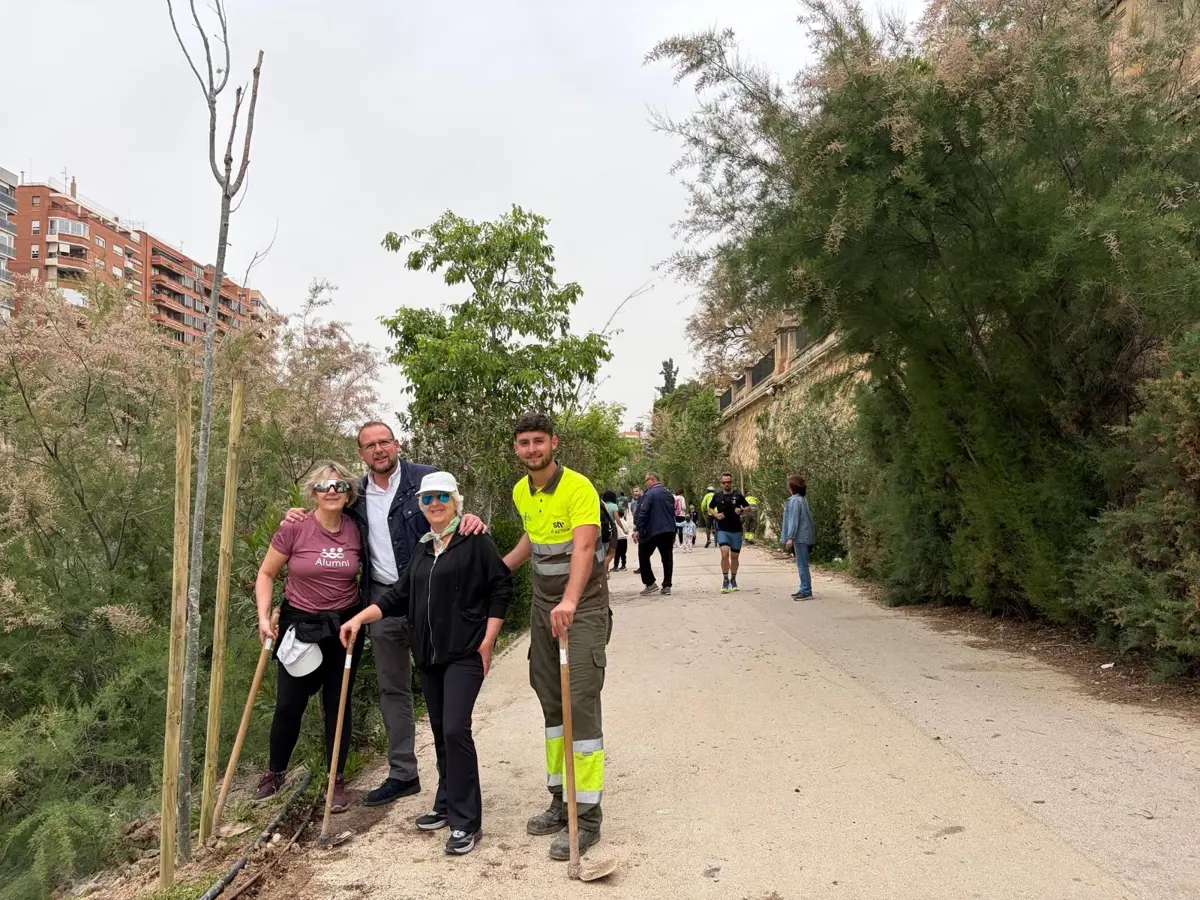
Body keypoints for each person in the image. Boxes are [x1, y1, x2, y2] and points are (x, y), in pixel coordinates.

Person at [285, 421, 487, 809]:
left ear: (397, 444)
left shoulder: (425, 479)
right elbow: (324, 515)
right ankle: (403, 773)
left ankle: (451, 783)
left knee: (442, 686)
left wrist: (472, 520)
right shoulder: (355, 494)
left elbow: (455, 510)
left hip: (433, 597)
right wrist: (296, 516)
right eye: (369, 445)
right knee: (392, 687)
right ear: (360, 454)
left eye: (384, 442)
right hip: (382, 600)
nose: (378, 450)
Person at [339, 472, 512, 856]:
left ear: (455, 501)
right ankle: (446, 803)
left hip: (465, 653)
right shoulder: (423, 547)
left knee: (455, 729)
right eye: (427, 498)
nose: (434, 503)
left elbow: (501, 586)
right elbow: (398, 595)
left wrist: (488, 640)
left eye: (442, 497)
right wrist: (357, 619)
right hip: (430, 656)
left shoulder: (475, 540)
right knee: (439, 729)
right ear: (420, 505)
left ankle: (467, 822)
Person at [503, 412, 611, 861]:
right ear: (517, 449)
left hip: (581, 607)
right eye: (525, 443)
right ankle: (559, 800)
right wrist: (499, 568)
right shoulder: (520, 491)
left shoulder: (577, 487)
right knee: (551, 702)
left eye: (539, 441)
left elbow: (584, 547)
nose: (532, 449)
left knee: (579, 704)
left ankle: (586, 818)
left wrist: (568, 602)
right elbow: (534, 538)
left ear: (554, 443)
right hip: (543, 606)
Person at [254, 462, 366, 814]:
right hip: (298, 625)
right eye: (323, 486)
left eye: (338, 486)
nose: (331, 491)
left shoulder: (358, 528)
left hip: (344, 627)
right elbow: (267, 573)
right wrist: (263, 616)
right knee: (290, 702)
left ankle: (335, 779)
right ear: (312, 494)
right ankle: (276, 772)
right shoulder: (295, 528)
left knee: (338, 704)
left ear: (348, 493)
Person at [633, 472, 677, 596]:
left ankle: (650, 582)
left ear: (652, 480)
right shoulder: (668, 493)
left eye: (646, 480)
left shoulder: (650, 494)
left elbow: (643, 512)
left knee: (643, 555)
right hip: (668, 530)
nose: (645, 483)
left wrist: (638, 529)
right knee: (667, 558)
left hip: (653, 531)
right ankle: (667, 585)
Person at [709, 472, 750, 593]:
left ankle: (733, 579)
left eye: (729, 482)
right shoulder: (717, 496)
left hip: (736, 530)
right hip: (722, 529)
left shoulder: (738, 495)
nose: (726, 484)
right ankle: (725, 579)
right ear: (721, 483)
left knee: (735, 556)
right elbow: (710, 508)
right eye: (724, 482)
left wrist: (741, 510)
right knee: (724, 553)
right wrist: (716, 515)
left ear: (732, 483)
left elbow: (748, 507)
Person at [780, 474, 817, 600]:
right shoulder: (802, 499)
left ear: (792, 487)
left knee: (802, 564)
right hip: (804, 536)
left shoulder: (795, 500)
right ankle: (803, 588)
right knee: (802, 564)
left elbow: (794, 520)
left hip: (800, 537)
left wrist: (790, 537)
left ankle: (806, 591)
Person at [602, 490, 629, 572]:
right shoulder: (614, 506)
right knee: (612, 552)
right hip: (611, 528)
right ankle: (602, 569)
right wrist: (624, 529)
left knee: (604, 551)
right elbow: (617, 520)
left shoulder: (602, 505)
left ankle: (606, 572)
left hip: (602, 529)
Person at [629, 486, 644, 574]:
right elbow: (633, 513)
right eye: (634, 492)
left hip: (642, 527)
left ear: (641, 491)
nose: (635, 493)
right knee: (640, 548)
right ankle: (641, 566)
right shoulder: (633, 502)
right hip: (637, 526)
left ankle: (643, 566)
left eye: (637, 491)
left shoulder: (644, 500)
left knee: (643, 548)